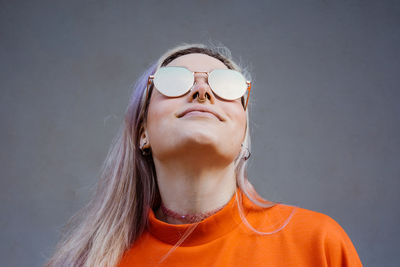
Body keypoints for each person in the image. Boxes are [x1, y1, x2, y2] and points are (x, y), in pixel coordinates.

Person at [46, 44, 362, 266]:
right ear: (143, 131)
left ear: (243, 132)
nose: (202, 91)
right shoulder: (85, 262)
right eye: (174, 81)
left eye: (225, 85)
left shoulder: (318, 245)